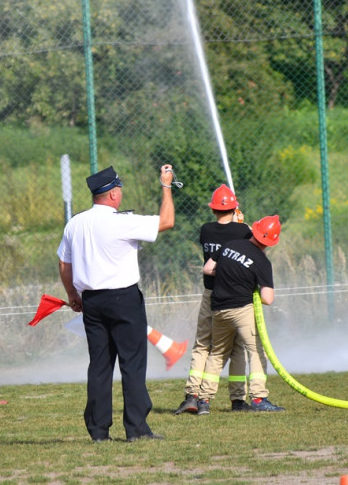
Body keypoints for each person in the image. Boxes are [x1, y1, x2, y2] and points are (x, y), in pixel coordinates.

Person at [58, 164, 175, 442]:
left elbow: (64, 261)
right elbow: (167, 221)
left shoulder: (75, 223)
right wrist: (166, 186)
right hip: (123, 299)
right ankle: (136, 428)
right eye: (119, 189)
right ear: (112, 195)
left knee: (99, 365)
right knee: (132, 364)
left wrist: (73, 294)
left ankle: (98, 431)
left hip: (92, 302)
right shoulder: (121, 221)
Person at [173, 184, 252, 416]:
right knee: (237, 347)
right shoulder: (242, 232)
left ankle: (192, 395)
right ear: (234, 207)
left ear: (214, 209)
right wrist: (242, 223)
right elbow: (252, 243)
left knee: (203, 345)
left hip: (210, 294)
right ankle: (238, 399)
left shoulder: (206, 230)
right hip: (236, 296)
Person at [195, 215, 284, 415]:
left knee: (217, 353)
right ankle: (259, 398)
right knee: (255, 351)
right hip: (242, 310)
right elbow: (267, 298)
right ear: (271, 241)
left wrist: (229, 272)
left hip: (218, 308)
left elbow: (208, 269)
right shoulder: (262, 261)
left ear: (255, 230)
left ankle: (204, 401)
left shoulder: (230, 244)